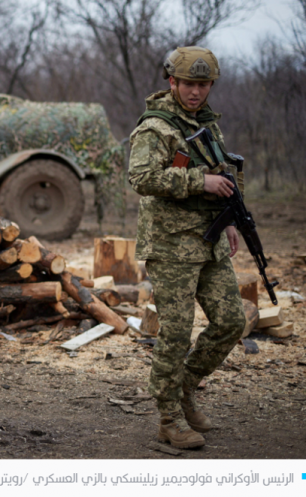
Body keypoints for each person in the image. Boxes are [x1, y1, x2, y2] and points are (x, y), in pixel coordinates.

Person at [129, 46, 246, 449]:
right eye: (189, 84)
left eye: (203, 84)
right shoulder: (155, 127)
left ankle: (185, 387)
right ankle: (168, 418)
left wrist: (230, 219)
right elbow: (141, 177)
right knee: (176, 334)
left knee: (231, 321)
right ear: (171, 82)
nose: (196, 92)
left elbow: (223, 173)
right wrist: (199, 182)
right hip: (171, 245)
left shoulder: (207, 124)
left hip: (210, 239)